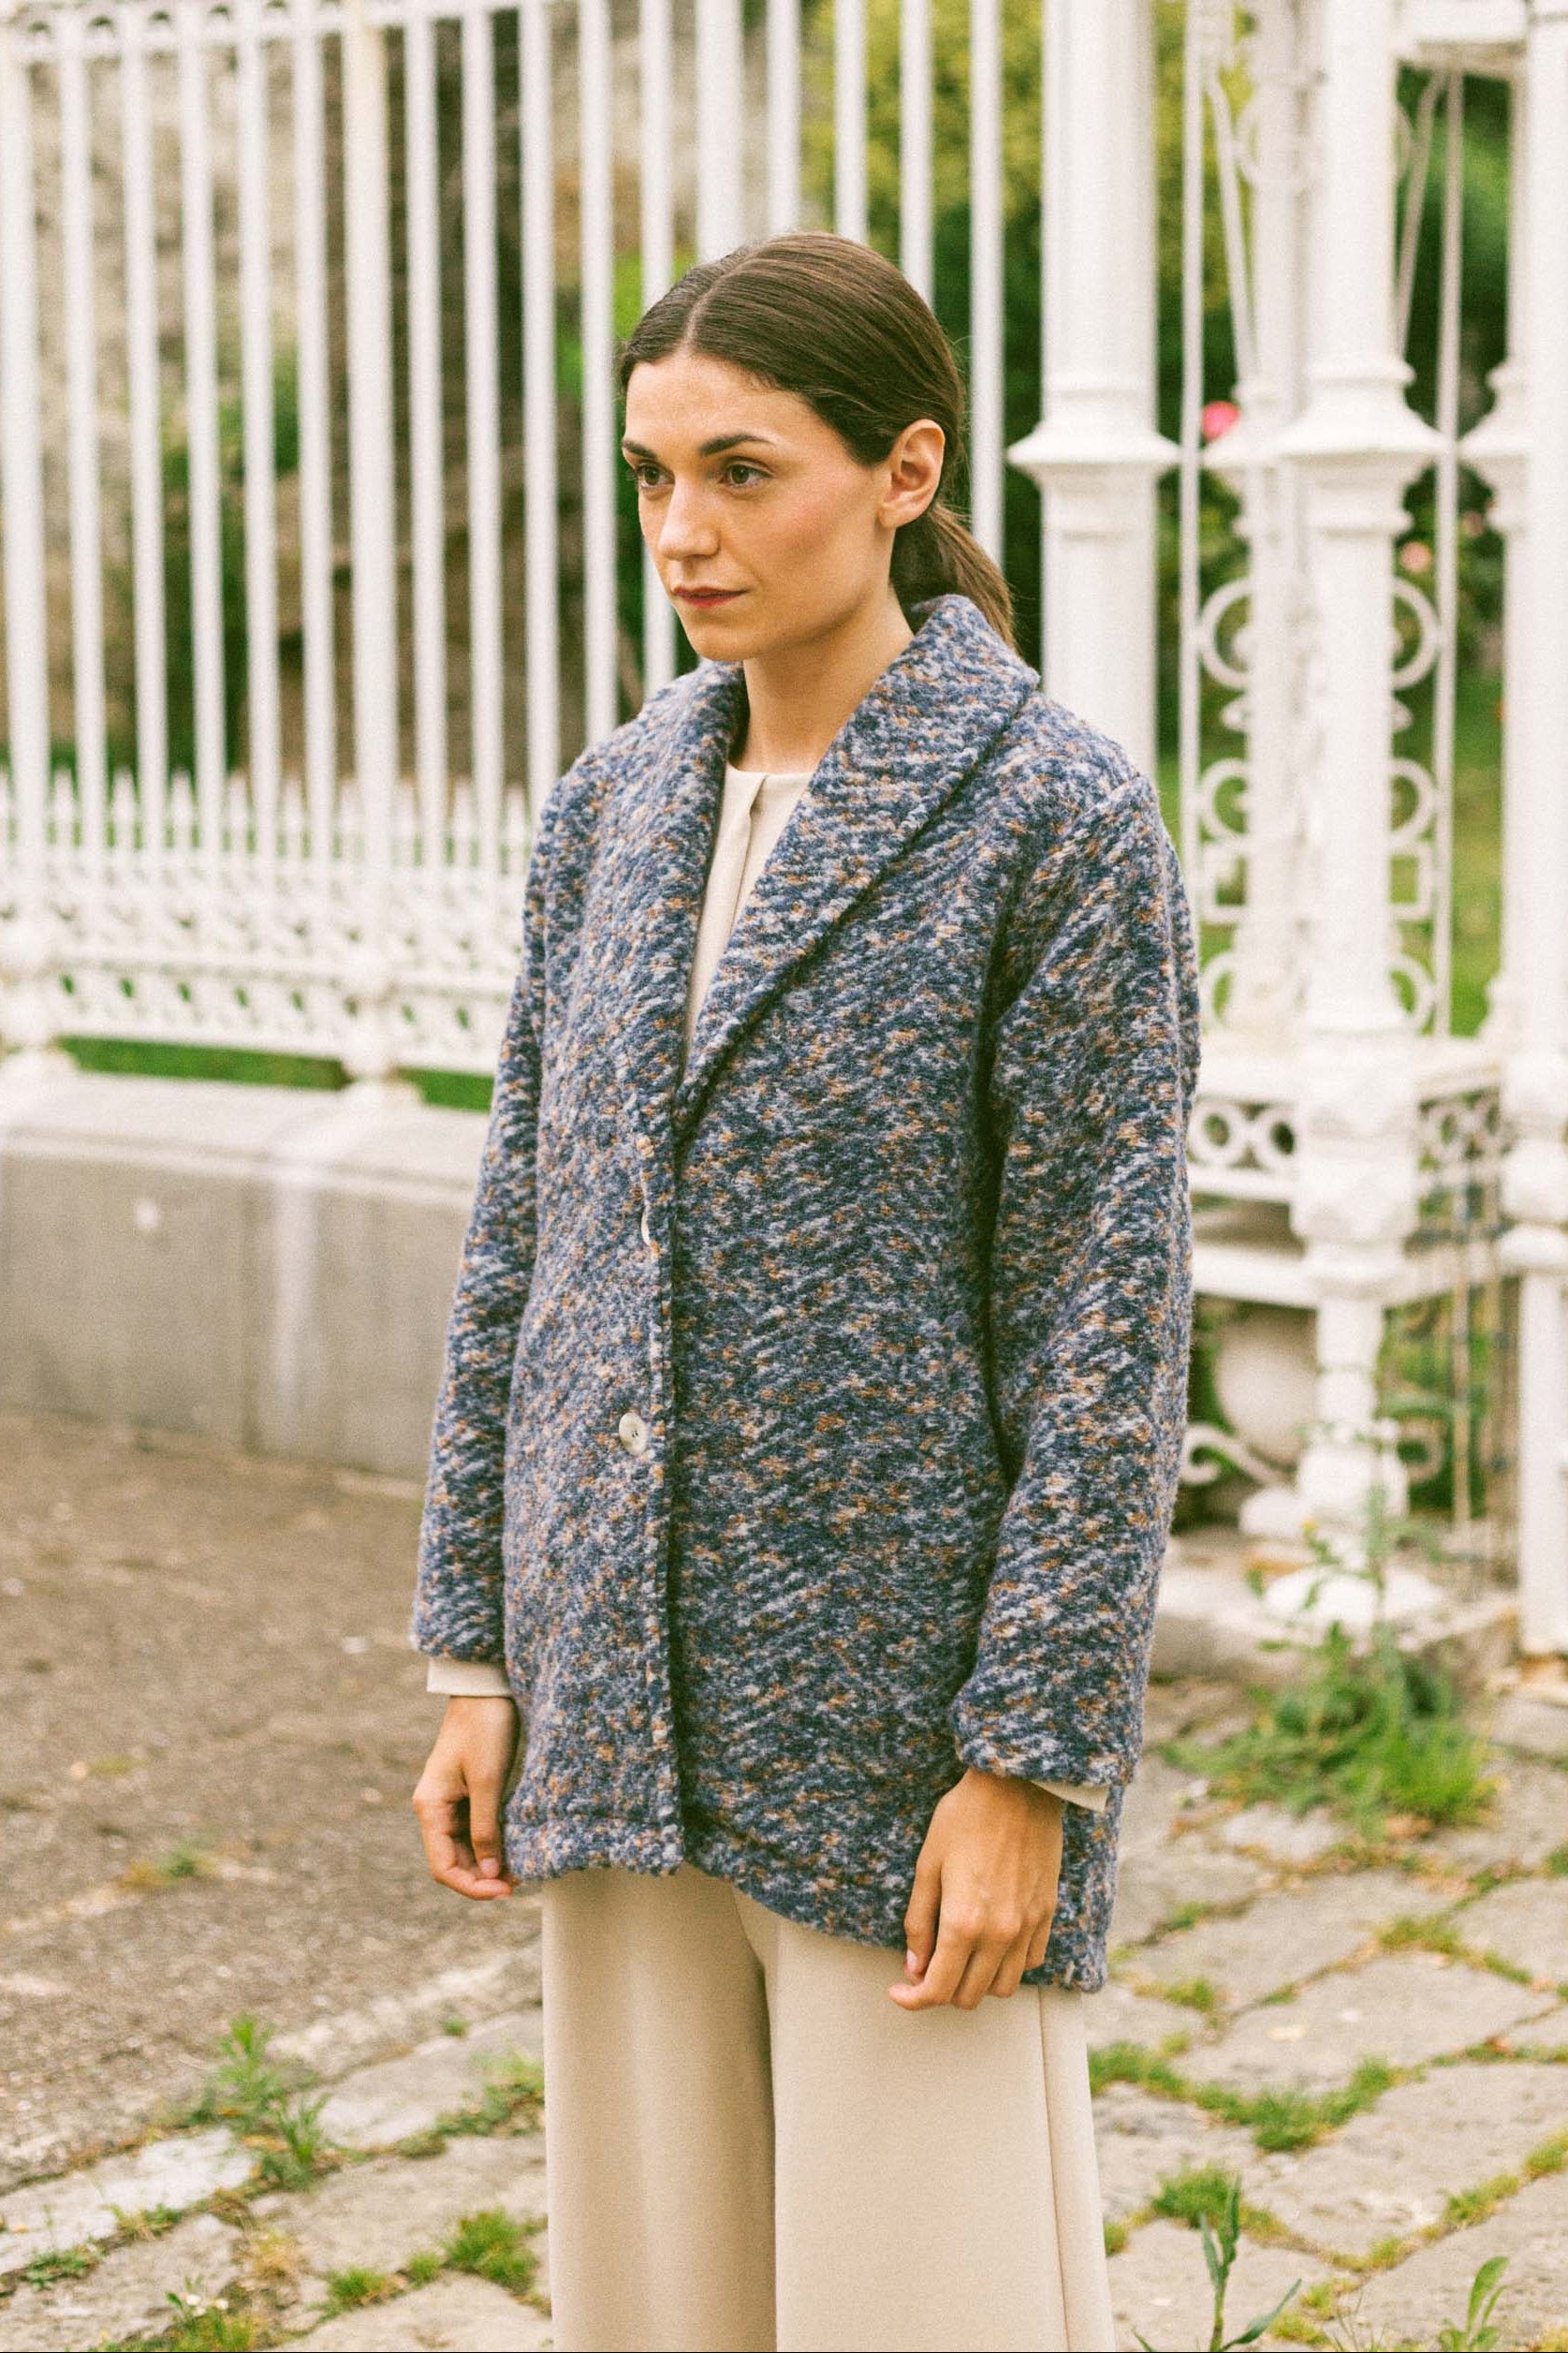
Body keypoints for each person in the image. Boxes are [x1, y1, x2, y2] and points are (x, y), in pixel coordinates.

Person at [409, 228, 1199, 2353]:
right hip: (613, 1691)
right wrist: (476, 1649)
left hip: (897, 1735)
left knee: (923, 2305)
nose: (684, 530)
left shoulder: (1051, 817)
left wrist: (1029, 1764)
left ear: (906, 471)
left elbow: (1108, 1332)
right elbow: (526, 1242)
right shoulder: (615, 803)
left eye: (743, 472)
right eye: (653, 476)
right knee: (658, 2304)